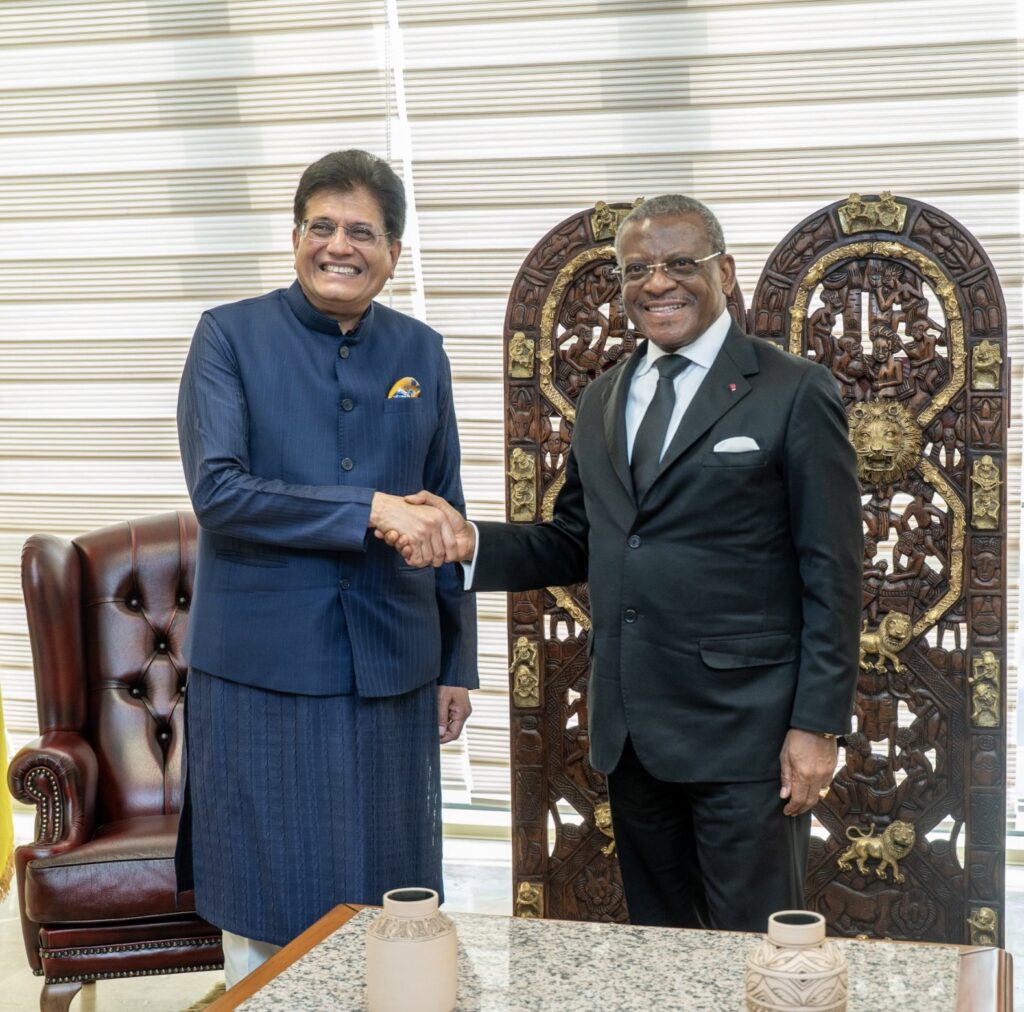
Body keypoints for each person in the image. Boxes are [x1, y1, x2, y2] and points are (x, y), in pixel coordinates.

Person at [390, 194, 862, 932]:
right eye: (637, 269)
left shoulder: (793, 390)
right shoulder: (603, 398)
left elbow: (833, 572)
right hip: (634, 733)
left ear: (725, 273)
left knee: (755, 953)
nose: (657, 282)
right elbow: (577, 539)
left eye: (681, 263)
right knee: (659, 948)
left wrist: (818, 727)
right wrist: (469, 544)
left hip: (750, 737)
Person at [175, 149, 477, 984]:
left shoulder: (422, 350)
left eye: (363, 232)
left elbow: (446, 512)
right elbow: (221, 492)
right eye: (322, 226)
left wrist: (457, 663)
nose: (340, 246)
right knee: (267, 904)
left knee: (392, 901)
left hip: (395, 666)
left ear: (393, 252)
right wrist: (370, 509)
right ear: (295, 237)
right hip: (261, 670)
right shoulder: (229, 336)